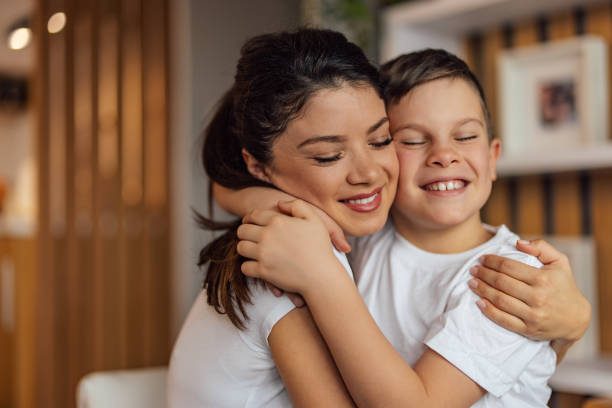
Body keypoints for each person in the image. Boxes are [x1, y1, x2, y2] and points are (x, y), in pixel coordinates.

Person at [231, 49, 591, 406]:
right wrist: (262, 201)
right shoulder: (367, 234)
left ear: (493, 157)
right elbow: (226, 185)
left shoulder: (513, 279)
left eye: (464, 137)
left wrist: (322, 278)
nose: (444, 154)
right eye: (413, 141)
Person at [168, 27, 397, 407]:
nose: (368, 173)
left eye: (380, 140)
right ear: (258, 167)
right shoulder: (290, 259)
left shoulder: (284, 229)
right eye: (328, 156)